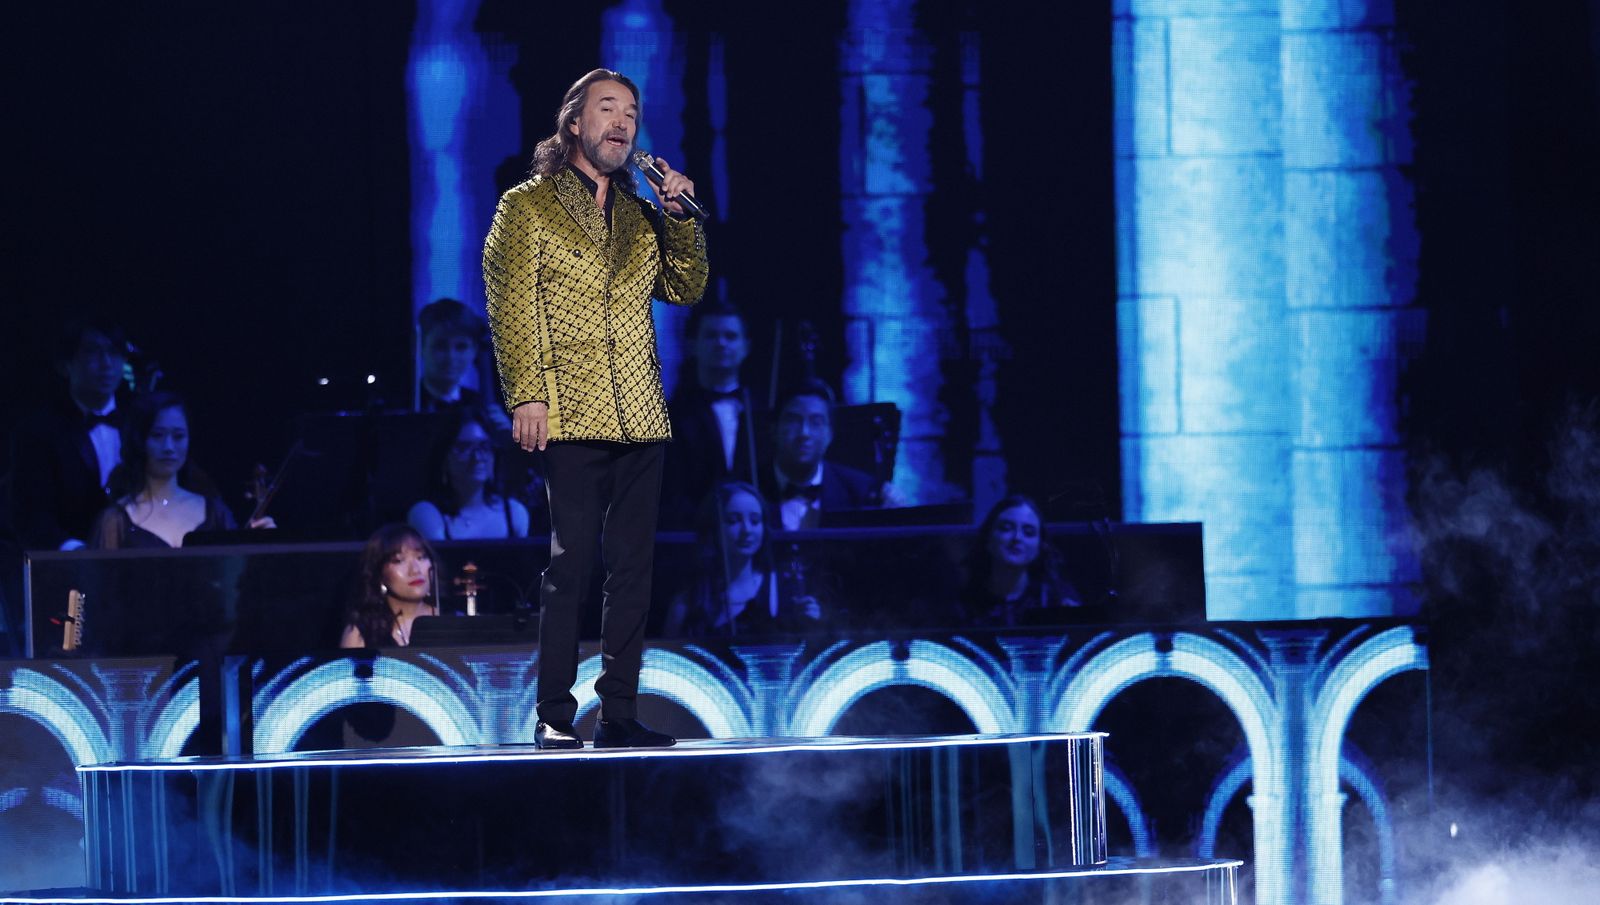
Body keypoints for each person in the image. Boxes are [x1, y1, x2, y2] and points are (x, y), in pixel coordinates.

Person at [483, 68, 708, 750]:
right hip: (571, 409)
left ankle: (619, 711)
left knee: (633, 568)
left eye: (631, 113)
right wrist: (527, 393)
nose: (622, 122)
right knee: (571, 565)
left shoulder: (641, 213)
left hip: (639, 410)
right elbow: (510, 303)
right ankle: (555, 712)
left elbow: (684, 287)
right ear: (574, 123)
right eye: (607, 108)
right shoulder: (528, 205)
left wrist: (679, 218)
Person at [90, 393, 269, 549]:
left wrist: (263, 542)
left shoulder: (215, 513)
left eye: (178, 436)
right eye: (157, 435)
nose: (169, 447)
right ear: (140, 441)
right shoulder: (115, 520)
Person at [11, 316, 129, 550]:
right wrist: (73, 550)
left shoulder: (142, 421)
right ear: (65, 365)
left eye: (114, 352)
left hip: (141, 557)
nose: (106, 363)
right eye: (93, 352)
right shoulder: (39, 431)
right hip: (68, 560)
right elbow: (32, 513)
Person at [662, 482, 822, 638]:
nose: (747, 530)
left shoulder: (785, 594)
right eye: (733, 521)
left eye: (755, 521)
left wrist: (811, 624)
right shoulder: (688, 603)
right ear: (713, 528)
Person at [661, 301, 762, 528]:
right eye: (711, 336)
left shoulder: (761, 409)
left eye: (730, 336)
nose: (721, 343)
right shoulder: (672, 414)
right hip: (690, 532)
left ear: (746, 346)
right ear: (692, 344)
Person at [761, 379, 899, 530]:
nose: (804, 433)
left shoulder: (864, 492)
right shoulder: (750, 486)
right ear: (773, 429)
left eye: (816, 422)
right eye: (794, 420)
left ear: (830, 434)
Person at [406, 409, 531, 540]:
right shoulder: (426, 514)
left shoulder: (514, 513)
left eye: (484, 446)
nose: (477, 457)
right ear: (444, 458)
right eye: (464, 448)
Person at [959, 495, 1083, 627]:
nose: (1017, 538)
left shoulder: (1057, 600)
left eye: (1028, 532)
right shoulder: (962, 605)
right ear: (987, 539)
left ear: (1040, 545)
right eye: (1006, 528)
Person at [339, 523, 442, 648]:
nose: (415, 570)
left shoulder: (453, 620)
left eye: (421, 558)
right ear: (379, 574)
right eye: (399, 560)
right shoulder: (362, 633)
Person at [417, 298, 492, 412]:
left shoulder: (481, 406)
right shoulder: (402, 403)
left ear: (474, 350)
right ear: (421, 347)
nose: (450, 358)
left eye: (461, 347)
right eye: (440, 346)